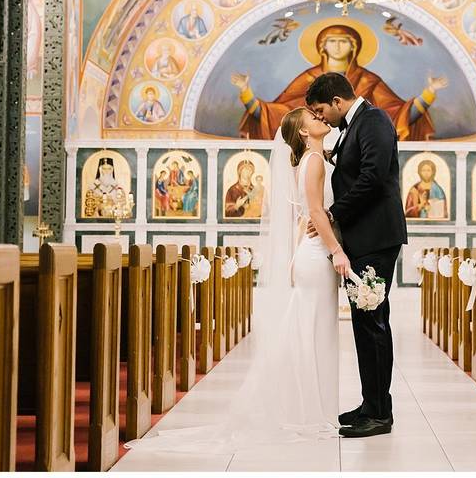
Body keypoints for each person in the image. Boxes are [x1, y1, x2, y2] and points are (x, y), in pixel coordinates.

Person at [124, 106, 347, 452]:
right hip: (318, 256)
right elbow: (316, 212)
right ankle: (309, 412)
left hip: (310, 253)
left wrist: (302, 248)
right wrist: (338, 252)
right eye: (313, 118)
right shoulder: (314, 162)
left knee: (308, 332)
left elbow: (308, 215)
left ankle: (309, 410)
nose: (320, 119)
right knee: (313, 333)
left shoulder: (310, 161)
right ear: (303, 133)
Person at [306, 71, 407, 438]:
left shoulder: (374, 119)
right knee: (366, 324)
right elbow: (356, 170)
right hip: (365, 237)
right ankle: (372, 403)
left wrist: (333, 215)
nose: (321, 118)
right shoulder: (355, 126)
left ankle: (379, 413)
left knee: (373, 322)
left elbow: (374, 177)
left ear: (337, 101)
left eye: (321, 110)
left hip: (377, 237)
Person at [233, 23, 446, 141]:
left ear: (353, 46)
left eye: (343, 41)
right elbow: (282, 113)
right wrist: (246, 93)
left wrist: (429, 93)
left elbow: (395, 113)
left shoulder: (368, 80)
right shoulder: (308, 78)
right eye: (331, 42)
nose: (337, 47)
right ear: (322, 47)